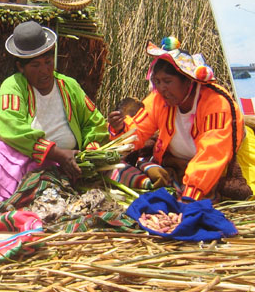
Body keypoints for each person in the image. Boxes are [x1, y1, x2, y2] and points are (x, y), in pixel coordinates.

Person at [0, 21, 109, 208]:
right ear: (21, 67)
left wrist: (89, 152)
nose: (44, 71)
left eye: (48, 62)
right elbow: (10, 126)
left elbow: (94, 122)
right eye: (35, 65)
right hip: (21, 162)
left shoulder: (69, 86)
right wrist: (55, 153)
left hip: (65, 167)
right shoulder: (14, 85)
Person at [108, 37, 253, 202]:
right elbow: (138, 130)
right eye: (157, 82)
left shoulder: (216, 103)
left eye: (168, 81)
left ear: (187, 80)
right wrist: (120, 129)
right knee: (123, 169)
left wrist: (189, 196)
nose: (161, 88)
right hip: (180, 165)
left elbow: (212, 155)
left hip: (220, 164)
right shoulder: (159, 99)